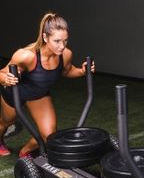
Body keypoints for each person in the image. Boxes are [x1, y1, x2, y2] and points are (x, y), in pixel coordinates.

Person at [0, 12, 95, 157]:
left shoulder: (65, 54)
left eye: (65, 41)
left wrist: (82, 71)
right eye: (57, 41)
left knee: (49, 134)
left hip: (38, 94)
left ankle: (25, 152)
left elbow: (68, 71)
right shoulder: (26, 56)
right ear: (45, 37)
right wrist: (5, 79)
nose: (62, 46)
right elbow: (1, 73)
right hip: (15, 93)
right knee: (6, 122)